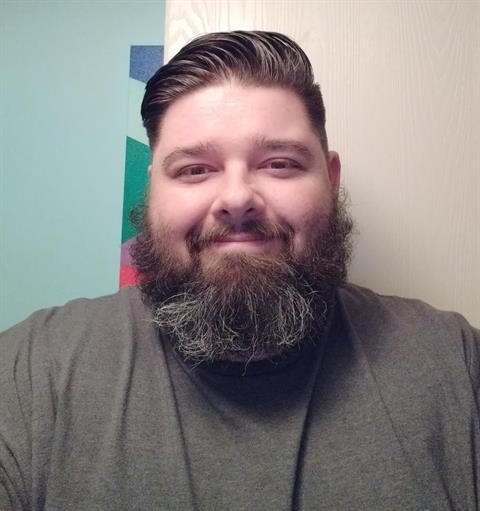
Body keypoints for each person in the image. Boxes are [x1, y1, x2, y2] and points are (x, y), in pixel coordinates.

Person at [0, 30, 478, 511]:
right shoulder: (30, 375)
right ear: (153, 191)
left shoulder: (456, 365)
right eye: (194, 169)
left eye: (279, 164)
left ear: (331, 181)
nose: (236, 198)